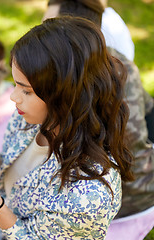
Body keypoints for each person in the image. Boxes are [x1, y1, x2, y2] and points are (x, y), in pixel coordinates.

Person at [0, 16, 134, 239]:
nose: (13, 97)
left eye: (26, 91)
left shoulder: (91, 195)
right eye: (16, 84)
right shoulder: (29, 119)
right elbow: (18, 177)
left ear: (65, 98)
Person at [44, 0, 154, 219]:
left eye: (47, 27)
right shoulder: (121, 63)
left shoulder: (60, 78)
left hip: (115, 199)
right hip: (139, 184)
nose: (41, 37)